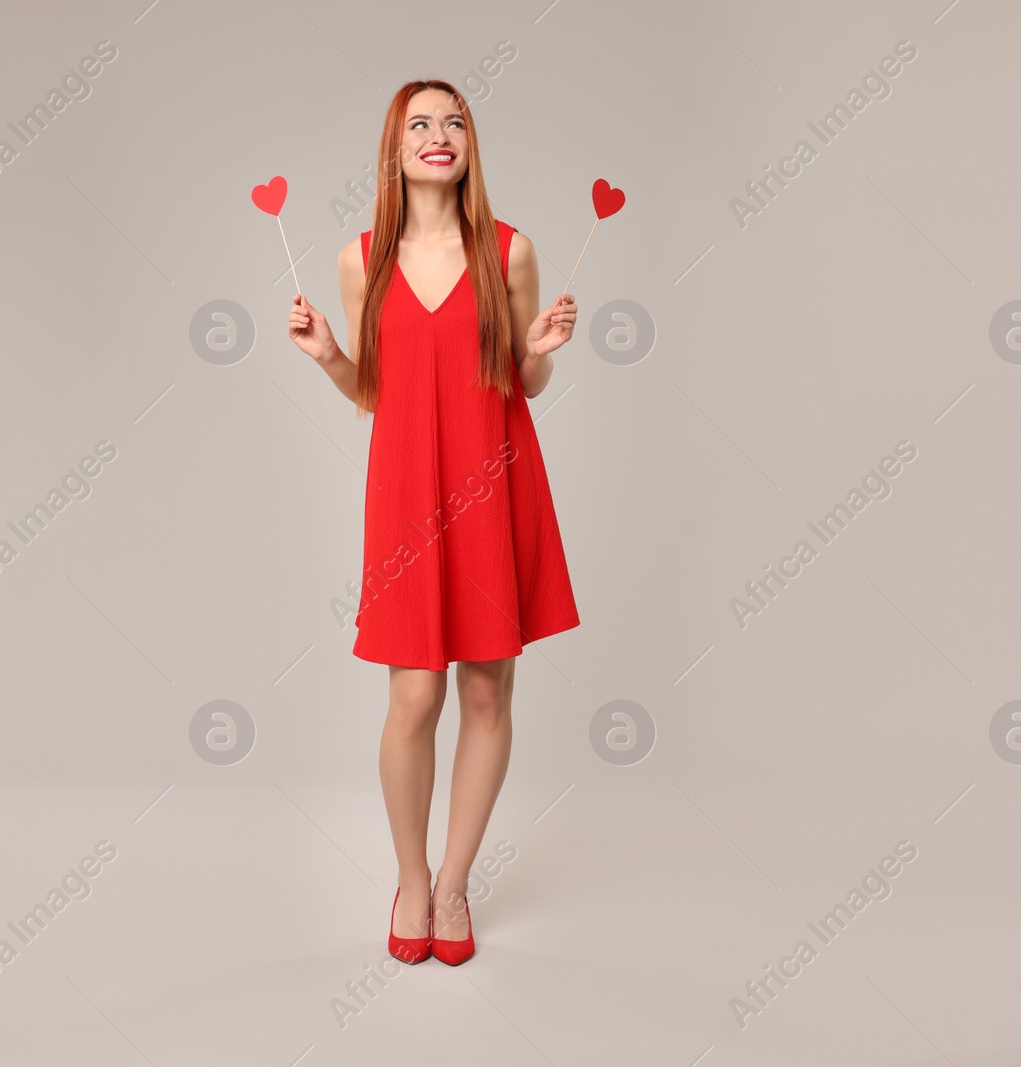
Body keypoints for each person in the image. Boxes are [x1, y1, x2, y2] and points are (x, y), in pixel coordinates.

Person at [287, 79, 580, 965]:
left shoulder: (512, 250)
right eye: (420, 124)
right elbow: (377, 392)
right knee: (414, 695)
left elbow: (525, 387)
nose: (439, 135)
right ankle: (409, 879)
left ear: (469, 146)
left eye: (454, 121)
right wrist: (331, 356)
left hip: (496, 485)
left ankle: (453, 886)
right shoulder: (360, 260)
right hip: (410, 496)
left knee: (487, 691)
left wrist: (539, 355)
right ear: (397, 149)